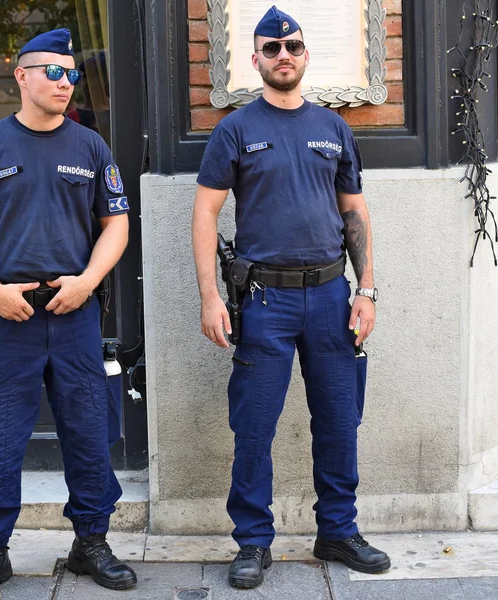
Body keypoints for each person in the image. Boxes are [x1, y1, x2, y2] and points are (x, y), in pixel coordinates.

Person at [192, 5, 390, 590]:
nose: (284, 56)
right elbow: (205, 212)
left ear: (306, 56)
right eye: (272, 49)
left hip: (332, 297)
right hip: (264, 303)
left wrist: (367, 290)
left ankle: (337, 530)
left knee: (338, 421)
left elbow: (353, 212)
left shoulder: (333, 127)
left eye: (293, 48)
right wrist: (210, 297)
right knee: (253, 425)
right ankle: (253, 542)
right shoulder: (235, 128)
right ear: (254, 60)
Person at [0, 28, 136, 600]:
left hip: (74, 317)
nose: (65, 82)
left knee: (89, 434)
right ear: (20, 76)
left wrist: (89, 281)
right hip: (8, 321)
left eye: (71, 73)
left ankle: (91, 543)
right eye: (53, 71)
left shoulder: (91, 147)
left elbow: (116, 224)